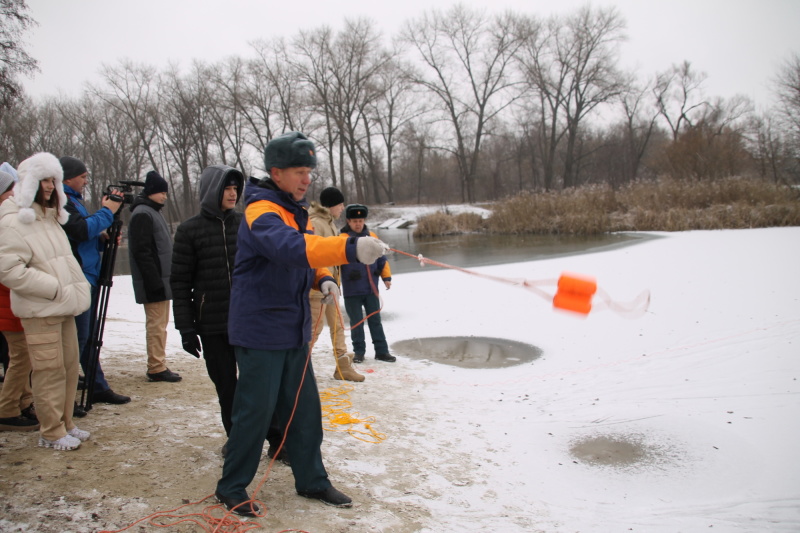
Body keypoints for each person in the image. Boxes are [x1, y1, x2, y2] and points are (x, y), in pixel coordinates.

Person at [214, 131, 387, 517]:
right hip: (260, 331)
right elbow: (291, 248)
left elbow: (308, 251)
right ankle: (231, 485)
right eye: (298, 171)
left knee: (305, 409)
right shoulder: (262, 211)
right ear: (276, 173)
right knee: (255, 412)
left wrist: (323, 275)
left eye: (309, 170)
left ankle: (312, 480)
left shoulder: (294, 210)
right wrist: (349, 248)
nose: (307, 178)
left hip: (292, 328)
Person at [0, 152, 92, 451]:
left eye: (53, 179)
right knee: (48, 370)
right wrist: (52, 289)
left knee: (67, 367)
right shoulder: (14, 219)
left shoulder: (49, 217)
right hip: (41, 309)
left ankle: (65, 422)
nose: (51, 186)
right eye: (44, 180)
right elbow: (9, 269)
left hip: (63, 306)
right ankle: (50, 430)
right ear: (28, 183)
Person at [171, 165, 243, 441]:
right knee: (226, 386)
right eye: (227, 188)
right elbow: (179, 282)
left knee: (256, 384)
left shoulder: (245, 225)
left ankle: (274, 438)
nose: (233, 193)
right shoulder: (190, 231)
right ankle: (236, 439)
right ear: (212, 190)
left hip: (247, 320)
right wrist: (186, 329)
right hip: (212, 324)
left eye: (236, 188)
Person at [59, 156, 130, 405]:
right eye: (83, 177)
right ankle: (67, 395)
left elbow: (84, 234)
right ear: (68, 178)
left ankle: (96, 385)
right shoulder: (63, 201)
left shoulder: (74, 201)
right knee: (80, 338)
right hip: (78, 278)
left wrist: (102, 238)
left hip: (88, 274)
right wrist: (107, 211)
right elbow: (79, 231)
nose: (86, 181)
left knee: (87, 337)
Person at [128, 170, 181, 383]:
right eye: (161, 192)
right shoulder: (143, 214)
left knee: (160, 324)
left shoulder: (151, 211)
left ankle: (158, 363)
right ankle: (156, 366)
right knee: (156, 325)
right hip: (154, 282)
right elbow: (143, 252)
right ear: (150, 192)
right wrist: (154, 281)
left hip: (160, 280)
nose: (165, 196)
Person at [308, 186, 364, 382]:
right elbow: (313, 254)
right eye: (340, 204)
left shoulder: (329, 223)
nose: (342, 208)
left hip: (332, 285)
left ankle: (342, 367)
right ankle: (298, 367)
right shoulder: (316, 223)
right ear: (331, 205)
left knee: (338, 325)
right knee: (314, 329)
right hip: (318, 288)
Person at [0, 169, 39, 431]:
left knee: (23, 355)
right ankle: (7, 409)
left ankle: (23, 402)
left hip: (14, 300)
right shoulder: (5, 221)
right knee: (21, 357)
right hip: (8, 300)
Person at [340, 204, 396, 364]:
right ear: (348, 221)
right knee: (356, 322)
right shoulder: (341, 239)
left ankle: (382, 351)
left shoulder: (372, 236)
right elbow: (334, 264)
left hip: (371, 289)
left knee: (375, 321)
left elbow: (382, 258)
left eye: (361, 220)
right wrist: (333, 283)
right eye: (355, 221)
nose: (358, 224)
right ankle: (359, 352)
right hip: (352, 290)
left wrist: (386, 277)